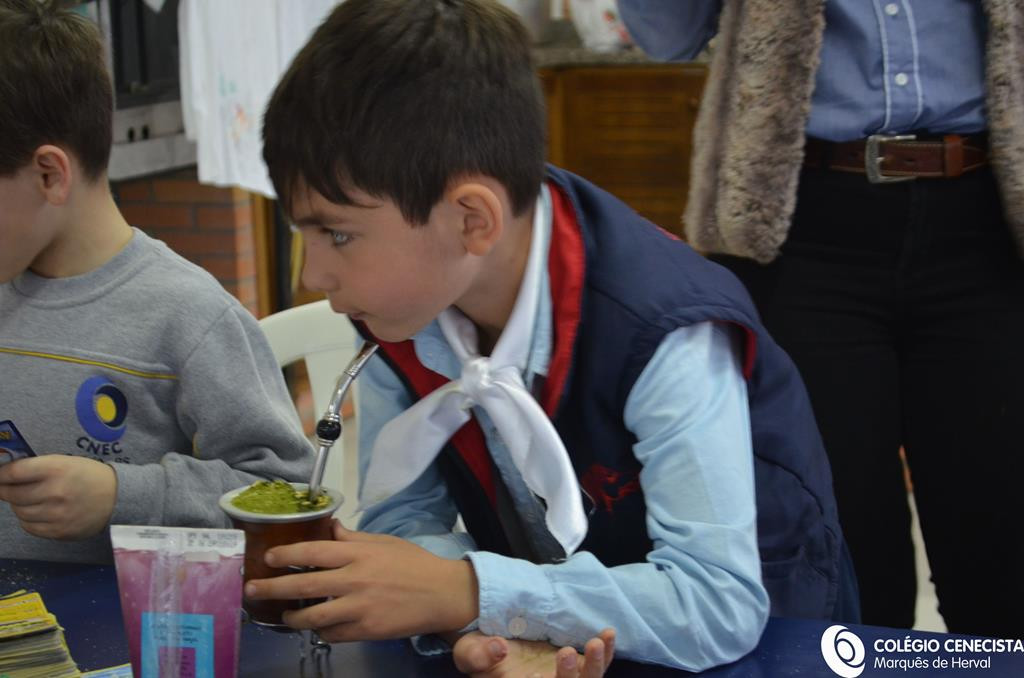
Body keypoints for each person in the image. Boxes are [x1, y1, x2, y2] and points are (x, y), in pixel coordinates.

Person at [245, 0, 851, 674]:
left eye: (337, 234)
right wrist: (467, 624)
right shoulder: (403, 312)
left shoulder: (663, 330)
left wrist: (469, 592)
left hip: (765, 649)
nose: (311, 275)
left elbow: (716, 605)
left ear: (472, 220)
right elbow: (404, 521)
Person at [617, 0, 1024, 637]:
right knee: (841, 537)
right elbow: (666, 35)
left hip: (990, 213)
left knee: (1000, 531)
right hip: (804, 225)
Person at [0, 0, 314, 565]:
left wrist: (123, 495)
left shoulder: (190, 316)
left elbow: (287, 495)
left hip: (131, 618)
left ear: (49, 174)